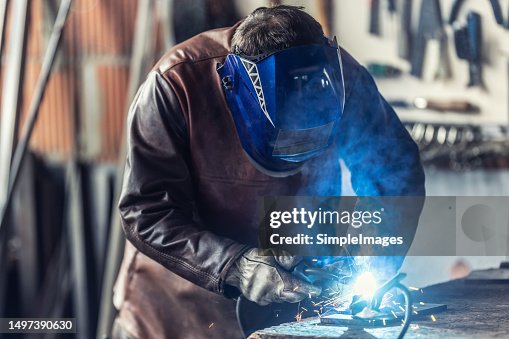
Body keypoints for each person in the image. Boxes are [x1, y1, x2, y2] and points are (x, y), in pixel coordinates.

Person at [112, 5, 425, 339]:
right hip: (176, 309)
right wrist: (234, 265)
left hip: (290, 306)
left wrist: (370, 256)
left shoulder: (342, 80)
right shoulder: (175, 84)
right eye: (287, 143)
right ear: (240, 96)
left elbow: (395, 173)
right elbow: (146, 210)